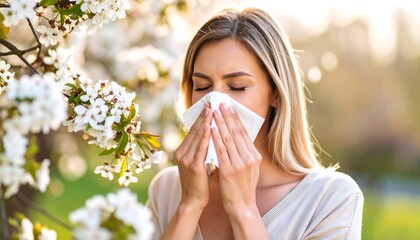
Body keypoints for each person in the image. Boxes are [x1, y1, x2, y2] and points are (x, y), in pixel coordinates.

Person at [146, 7, 363, 240]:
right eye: (202, 87)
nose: (215, 102)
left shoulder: (330, 199)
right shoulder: (167, 189)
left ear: (276, 94)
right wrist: (189, 205)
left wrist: (243, 208)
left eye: (237, 86)